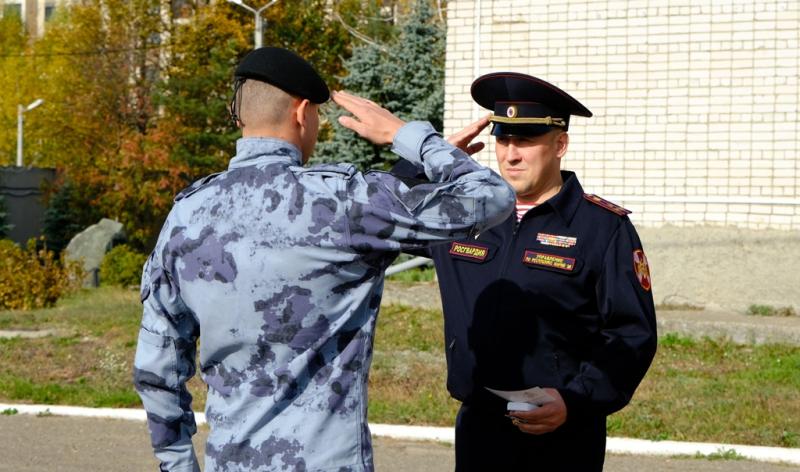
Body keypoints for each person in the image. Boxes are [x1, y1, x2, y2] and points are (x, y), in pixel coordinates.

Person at [132, 47, 514, 472]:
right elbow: (490, 196)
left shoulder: (187, 215)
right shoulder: (341, 202)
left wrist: (178, 466)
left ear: (241, 116)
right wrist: (409, 138)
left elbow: (156, 369)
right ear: (301, 113)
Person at [395, 72, 658, 471]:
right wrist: (428, 160)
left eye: (526, 140)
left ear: (560, 144)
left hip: (563, 435)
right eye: (503, 140)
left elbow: (631, 334)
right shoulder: (463, 214)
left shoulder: (602, 228)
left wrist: (576, 400)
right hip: (479, 428)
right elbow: (380, 216)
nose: (510, 155)